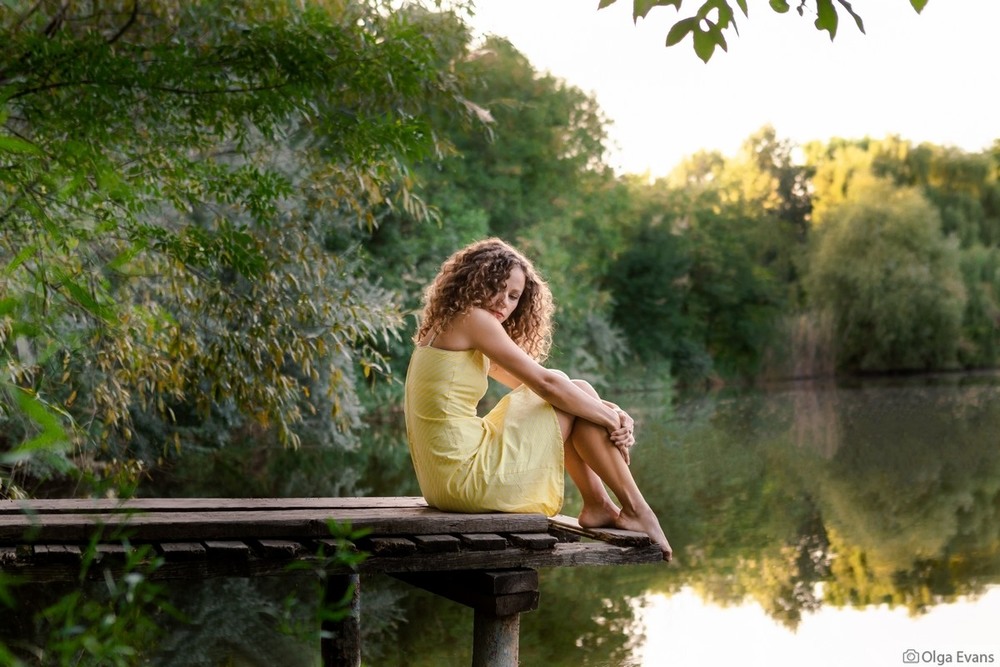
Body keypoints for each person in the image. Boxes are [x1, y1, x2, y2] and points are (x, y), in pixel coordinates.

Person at [403, 238, 672, 561]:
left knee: (576, 390)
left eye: (514, 296)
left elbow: (540, 385)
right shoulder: (473, 319)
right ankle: (636, 509)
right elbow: (547, 386)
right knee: (570, 390)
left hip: (443, 484)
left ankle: (601, 505)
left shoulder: (449, 324)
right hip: (464, 479)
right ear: (473, 281)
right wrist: (609, 419)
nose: (503, 302)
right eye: (496, 287)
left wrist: (610, 410)